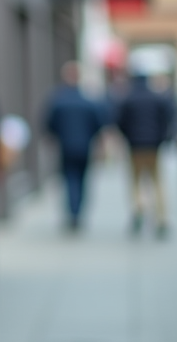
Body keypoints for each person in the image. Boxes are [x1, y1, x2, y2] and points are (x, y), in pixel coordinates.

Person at [43, 61, 109, 230]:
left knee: (69, 178)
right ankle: (78, 211)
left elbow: (49, 124)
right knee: (82, 179)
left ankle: (73, 212)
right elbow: (98, 123)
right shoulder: (87, 100)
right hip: (84, 146)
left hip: (65, 146)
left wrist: (53, 138)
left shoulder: (58, 100)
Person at [115, 70, 175, 235]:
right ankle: (161, 218)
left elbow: (120, 121)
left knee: (136, 181)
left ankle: (139, 208)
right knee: (157, 181)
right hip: (154, 146)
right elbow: (168, 118)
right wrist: (163, 138)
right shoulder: (158, 98)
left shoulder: (128, 99)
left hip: (135, 146)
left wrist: (128, 137)